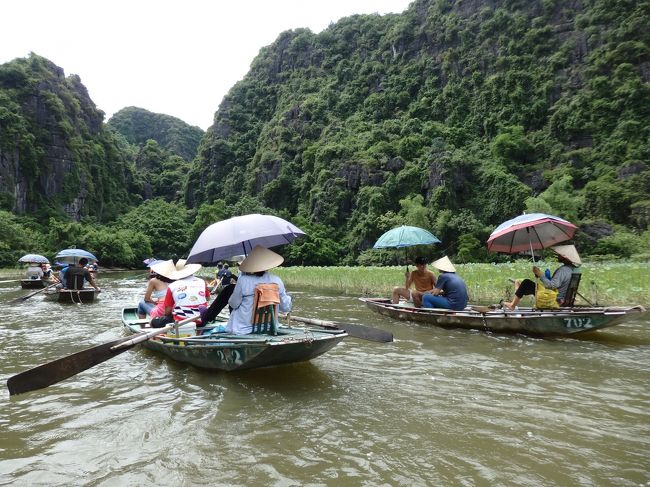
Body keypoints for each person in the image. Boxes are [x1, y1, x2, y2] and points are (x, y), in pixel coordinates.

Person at [225, 246, 292, 335]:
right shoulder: (277, 280)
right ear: (268, 265)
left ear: (251, 265)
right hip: (270, 328)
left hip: (243, 330)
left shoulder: (243, 280)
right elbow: (286, 307)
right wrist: (289, 298)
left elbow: (233, 304)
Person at [502, 244, 581, 310]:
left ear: (565, 257)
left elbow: (551, 286)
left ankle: (512, 305)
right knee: (523, 283)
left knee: (526, 283)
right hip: (558, 296)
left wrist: (540, 274)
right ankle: (516, 298)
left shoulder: (563, 270)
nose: (557, 255)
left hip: (553, 299)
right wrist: (545, 277)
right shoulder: (571, 269)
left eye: (560, 254)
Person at [151, 259, 210, 329]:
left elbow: (167, 311)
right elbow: (207, 298)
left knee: (153, 322)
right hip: (202, 320)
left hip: (181, 322)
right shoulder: (202, 282)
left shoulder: (172, 286)